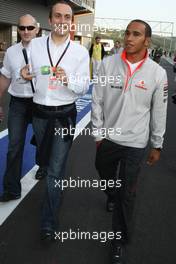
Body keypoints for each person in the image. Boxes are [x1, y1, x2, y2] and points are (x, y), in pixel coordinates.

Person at [91, 19, 168, 264]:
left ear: (147, 41)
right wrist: (98, 134)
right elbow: (97, 101)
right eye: (127, 33)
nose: (129, 38)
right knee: (103, 171)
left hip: (136, 142)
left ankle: (118, 241)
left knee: (128, 194)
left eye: (136, 34)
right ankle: (110, 193)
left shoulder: (158, 73)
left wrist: (157, 143)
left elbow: (159, 111)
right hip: (109, 139)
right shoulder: (107, 64)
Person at [21, 0, 90, 242]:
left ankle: (48, 222)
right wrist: (24, 74)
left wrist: (68, 79)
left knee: (56, 171)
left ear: (71, 22)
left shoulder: (80, 52)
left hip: (63, 116)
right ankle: (44, 164)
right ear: (50, 20)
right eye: (58, 16)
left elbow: (83, 88)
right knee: (45, 160)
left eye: (67, 17)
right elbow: (30, 73)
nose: (62, 20)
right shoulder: (35, 45)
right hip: (39, 114)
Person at [0, 14, 46, 203]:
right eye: (22, 28)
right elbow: (4, 77)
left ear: (37, 29)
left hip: (40, 103)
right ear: (18, 30)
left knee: (44, 143)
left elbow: (52, 71)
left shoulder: (46, 49)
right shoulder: (11, 52)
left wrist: (34, 74)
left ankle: (43, 165)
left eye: (29, 28)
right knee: (14, 147)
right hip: (18, 103)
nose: (25, 31)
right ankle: (12, 189)